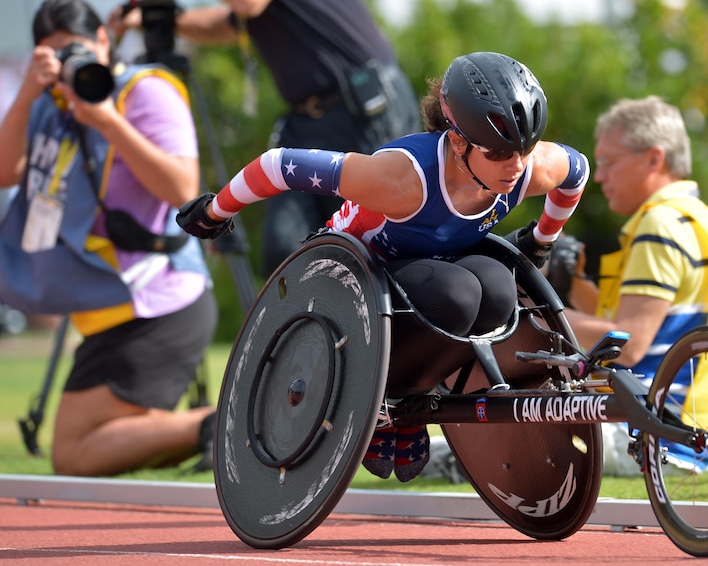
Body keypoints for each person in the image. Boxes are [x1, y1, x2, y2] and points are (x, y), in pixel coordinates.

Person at [177, 51, 590, 482]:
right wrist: (216, 210)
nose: (516, 166)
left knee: (500, 293)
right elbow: (277, 165)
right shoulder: (402, 180)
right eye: (501, 152)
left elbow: (575, 174)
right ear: (457, 142)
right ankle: (383, 397)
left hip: (434, 270)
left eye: (523, 149)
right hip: (355, 280)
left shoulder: (527, 167)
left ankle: (411, 396)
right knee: (458, 296)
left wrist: (542, 241)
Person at [0, 0, 217, 476]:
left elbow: (182, 188)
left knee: (74, 454)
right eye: (57, 55)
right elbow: (6, 171)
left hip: (156, 303)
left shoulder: (146, 91)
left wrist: (104, 119)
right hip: (109, 311)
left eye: (78, 49)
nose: (71, 63)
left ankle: (222, 425)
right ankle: (218, 427)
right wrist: (26, 95)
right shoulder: (48, 105)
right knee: (77, 453)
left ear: (104, 40)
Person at [109, 0, 421, 276]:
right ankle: (312, 328)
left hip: (363, 110)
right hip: (309, 121)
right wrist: (167, 22)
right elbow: (231, 22)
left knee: (379, 248)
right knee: (286, 249)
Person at [552, 96, 708, 476]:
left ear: (654, 159)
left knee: (483, 439)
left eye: (609, 161)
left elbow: (631, 343)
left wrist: (540, 316)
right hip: (690, 433)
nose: (600, 176)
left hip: (652, 436)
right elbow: (629, 324)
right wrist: (573, 285)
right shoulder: (691, 215)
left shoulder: (659, 225)